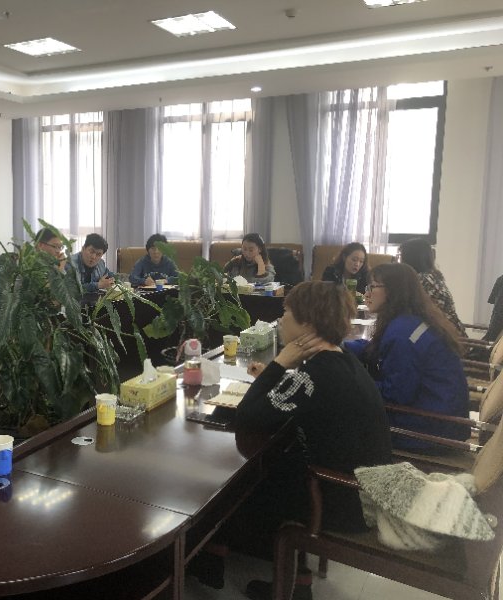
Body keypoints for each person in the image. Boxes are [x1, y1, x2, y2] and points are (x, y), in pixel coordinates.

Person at [189, 282, 392, 599]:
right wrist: (277, 375)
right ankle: (223, 555)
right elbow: (302, 396)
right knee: (267, 462)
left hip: (343, 499)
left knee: (240, 481)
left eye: (286, 313)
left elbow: (248, 415)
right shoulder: (338, 360)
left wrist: (279, 363)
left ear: (307, 324)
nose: (280, 319)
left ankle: (222, 558)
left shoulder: (316, 374)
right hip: (357, 486)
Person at [344, 262, 470, 450]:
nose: (366, 293)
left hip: (429, 430)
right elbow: (375, 349)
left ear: (393, 291)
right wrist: (342, 347)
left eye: (372, 286)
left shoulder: (403, 333)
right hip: (441, 419)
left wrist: (350, 381)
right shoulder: (409, 322)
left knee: (340, 410)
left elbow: (395, 395)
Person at [398, 237, 466, 336]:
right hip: (447, 330)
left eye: (401, 256)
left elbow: (410, 309)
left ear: (409, 257)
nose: (399, 260)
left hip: (444, 335)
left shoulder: (422, 280)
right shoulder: (432, 275)